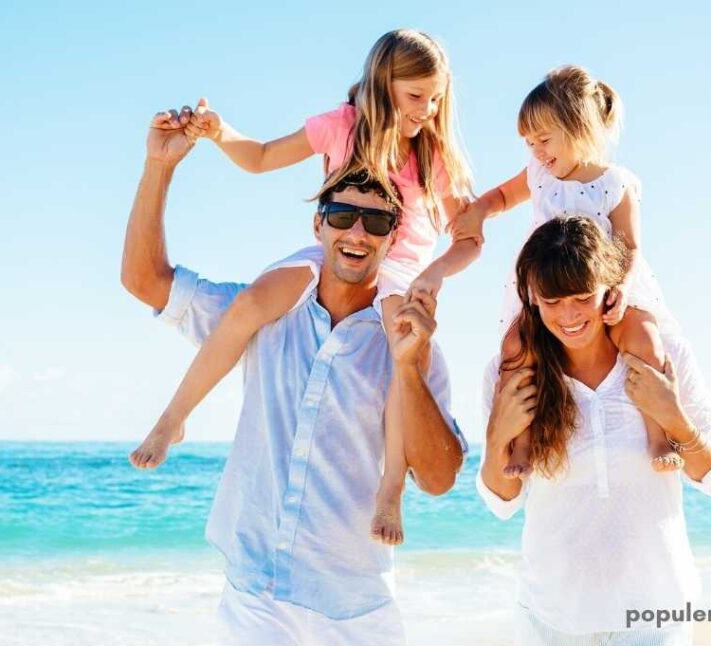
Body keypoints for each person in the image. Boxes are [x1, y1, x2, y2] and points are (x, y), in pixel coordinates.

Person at [121, 107, 467, 646]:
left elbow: (441, 476)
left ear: (392, 237)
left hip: (353, 609)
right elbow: (144, 281)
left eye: (376, 222)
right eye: (342, 216)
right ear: (317, 224)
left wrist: (405, 365)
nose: (357, 232)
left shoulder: (409, 338)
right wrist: (158, 167)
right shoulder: (264, 309)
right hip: (254, 592)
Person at [134, 29, 476, 546]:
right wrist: (221, 131)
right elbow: (263, 157)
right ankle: (172, 419)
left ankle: (390, 492)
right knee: (251, 302)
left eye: (436, 98)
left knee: (400, 362)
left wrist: (435, 273)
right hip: (334, 253)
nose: (427, 109)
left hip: (400, 268)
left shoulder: (433, 155)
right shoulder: (342, 127)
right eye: (416, 96)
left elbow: (470, 238)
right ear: (383, 85)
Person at [477, 216, 711, 646]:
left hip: (653, 621)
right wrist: (499, 434)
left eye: (582, 296)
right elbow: (502, 503)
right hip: (550, 626)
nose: (570, 315)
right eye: (553, 300)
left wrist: (672, 418)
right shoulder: (515, 372)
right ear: (533, 297)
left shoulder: (662, 355)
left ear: (609, 289)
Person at [451, 65, 680, 479]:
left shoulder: (614, 183)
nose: (536, 151)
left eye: (543, 139)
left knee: (645, 339)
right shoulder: (539, 175)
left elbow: (629, 244)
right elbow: (503, 195)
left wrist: (623, 290)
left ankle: (659, 434)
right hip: (547, 289)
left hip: (604, 289)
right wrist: (480, 211)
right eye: (528, 142)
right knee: (518, 349)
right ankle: (521, 441)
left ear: (578, 127)